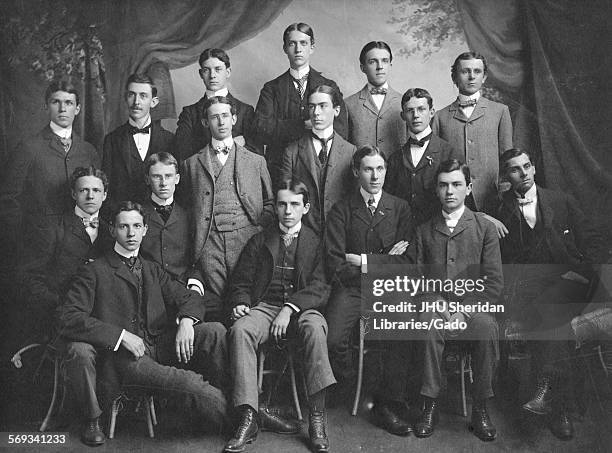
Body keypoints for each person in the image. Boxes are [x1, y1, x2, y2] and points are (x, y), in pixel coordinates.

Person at [57, 201, 229, 446]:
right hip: (125, 359)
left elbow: (189, 297)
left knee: (215, 332)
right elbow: (69, 316)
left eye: (137, 226)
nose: (131, 233)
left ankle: (243, 405)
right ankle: (242, 417)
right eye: (124, 226)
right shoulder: (95, 271)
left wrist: (187, 322)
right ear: (112, 230)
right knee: (189, 384)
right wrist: (120, 335)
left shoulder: (151, 268)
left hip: (158, 343)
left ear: (145, 230)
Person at [497, 148, 604, 440]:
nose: (524, 173)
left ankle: (545, 392)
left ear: (534, 168)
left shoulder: (561, 200)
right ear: (506, 176)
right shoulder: (500, 210)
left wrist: (585, 275)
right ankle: (560, 407)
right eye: (515, 169)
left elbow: (593, 243)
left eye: (527, 166)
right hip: (527, 289)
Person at [225, 180, 334, 453]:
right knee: (240, 330)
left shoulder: (315, 242)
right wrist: (240, 302)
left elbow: (322, 287)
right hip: (264, 306)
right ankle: (249, 415)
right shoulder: (261, 239)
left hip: (302, 310)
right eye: (283, 204)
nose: (287, 211)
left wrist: (291, 308)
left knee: (315, 329)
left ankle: (317, 418)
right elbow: (240, 281)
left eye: (294, 204)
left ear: (305, 208)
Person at [410, 159, 502, 442]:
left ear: (468, 188)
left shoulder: (483, 227)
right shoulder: (424, 231)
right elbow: (416, 280)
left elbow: (494, 282)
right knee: (427, 324)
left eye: (456, 185)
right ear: (436, 190)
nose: (449, 191)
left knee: (487, 328)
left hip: (473, 307)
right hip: (436, 306)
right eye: (443, 185)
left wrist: (464, 312)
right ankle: (430, 403)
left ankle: (481, 407)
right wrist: (436, 304)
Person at [325, 145, 413, 434]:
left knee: (401, 328)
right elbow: (337, 263)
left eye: (380, 169)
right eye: (368, 169)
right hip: (351, 290)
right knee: (334, 338)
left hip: (389, 289)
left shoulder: (399, 208)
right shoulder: (342, 210)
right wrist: (386, 260)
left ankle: (388, 403)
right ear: (355, 172)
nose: (375, 176)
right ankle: (352, 386)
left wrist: (363, 261)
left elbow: (408, 263)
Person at [179, 96, 274, 316]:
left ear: (233, 119)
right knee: (219, 306)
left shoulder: (256, 161)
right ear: (206, 123)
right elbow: (185, 207)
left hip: (247, 241)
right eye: (214, 117)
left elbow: (270, 202)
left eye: (225, 116)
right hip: (208, 245)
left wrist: (258, 229)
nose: (220, 122)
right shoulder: (191, 164)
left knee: (246, 302)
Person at [0, 81, 100, 254]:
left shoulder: (88, 151)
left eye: (68, 103)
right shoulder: (28, 148)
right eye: (56, 102)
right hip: (38, 247)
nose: (62, 109)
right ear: (46, 107)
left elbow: (98, 198)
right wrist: (22, 240)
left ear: (77, 109)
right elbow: (8, 200)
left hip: (81, 245)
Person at [20, 166, 113, 339]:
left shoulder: (113, 232)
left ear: (105, 195)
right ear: (73, 194)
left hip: (103, 321)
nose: (90, 196)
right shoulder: (53, 228)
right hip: (59, 318)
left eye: (96, 190)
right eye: (84, 190)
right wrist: (59, 304)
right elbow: (32, 279)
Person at [254, 22, 348, 189]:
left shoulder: (329, 86)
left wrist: (282, 127)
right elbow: (262, 129)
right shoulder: (272, 89)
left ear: (312, 47)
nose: (298, 49)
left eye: (303, 43)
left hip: (322, 169)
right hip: (282, 170)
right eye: (292, 44)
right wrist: (303, 125)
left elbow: (341, 129)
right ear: (285, 48)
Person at [432, 51, 513, 216]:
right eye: (465, 71)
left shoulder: (500, 112)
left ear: (484, 77)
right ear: (454, 77)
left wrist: (503, 192)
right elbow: (436, 163)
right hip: (454, 200)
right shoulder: (440, 117)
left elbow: (507, 158)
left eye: (477, 71)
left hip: (493, 199)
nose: (471, 77)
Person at [279, 84, 355, 237]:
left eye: (323, 106)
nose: (316, 113)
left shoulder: (351, 151)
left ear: (336, 110)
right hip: (303, 235)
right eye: (312, 107)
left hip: (340, 235)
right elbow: (285, 197)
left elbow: (354, 200)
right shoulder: (292, 151)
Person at [384, 88, 462, 226]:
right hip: (404, 232)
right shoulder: (395, 158)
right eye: (410, 111)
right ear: (403, 116)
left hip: (438, 230)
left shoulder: (449, 152)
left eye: (421, 109)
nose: (416, 115)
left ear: (431, 112)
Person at [102, 73, 173, 211]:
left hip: (159, 221)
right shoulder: (112, 140)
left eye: (143, 96)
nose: (136, 102)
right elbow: (107, 188)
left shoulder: (169, 140)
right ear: (125, 98)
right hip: (124, 221)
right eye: (131, 95)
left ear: (154, 102)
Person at [174, 48, 260, 160]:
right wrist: (230, 145)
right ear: (201, 74)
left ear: (228, 72)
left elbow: (257, 153)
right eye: (206, 70)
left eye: (218, 69)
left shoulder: (245, 111)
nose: (212, 75)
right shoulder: (190, 113)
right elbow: (182, 153)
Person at [344, 41, 406, 158]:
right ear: (363, 68)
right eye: (373, 62)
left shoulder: (405, 103)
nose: (380, 67)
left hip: (398, 174)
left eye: (385, 61)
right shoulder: (348, 104)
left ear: (390, 66)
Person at [140, 152, 193, 282]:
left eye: (168, 176)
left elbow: (196, 259)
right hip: (148, 286)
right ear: (147, 179)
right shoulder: (137, 215)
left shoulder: (189, 215)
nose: (163, 183)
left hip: (181, 286)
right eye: (157, 177)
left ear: (177, 178)